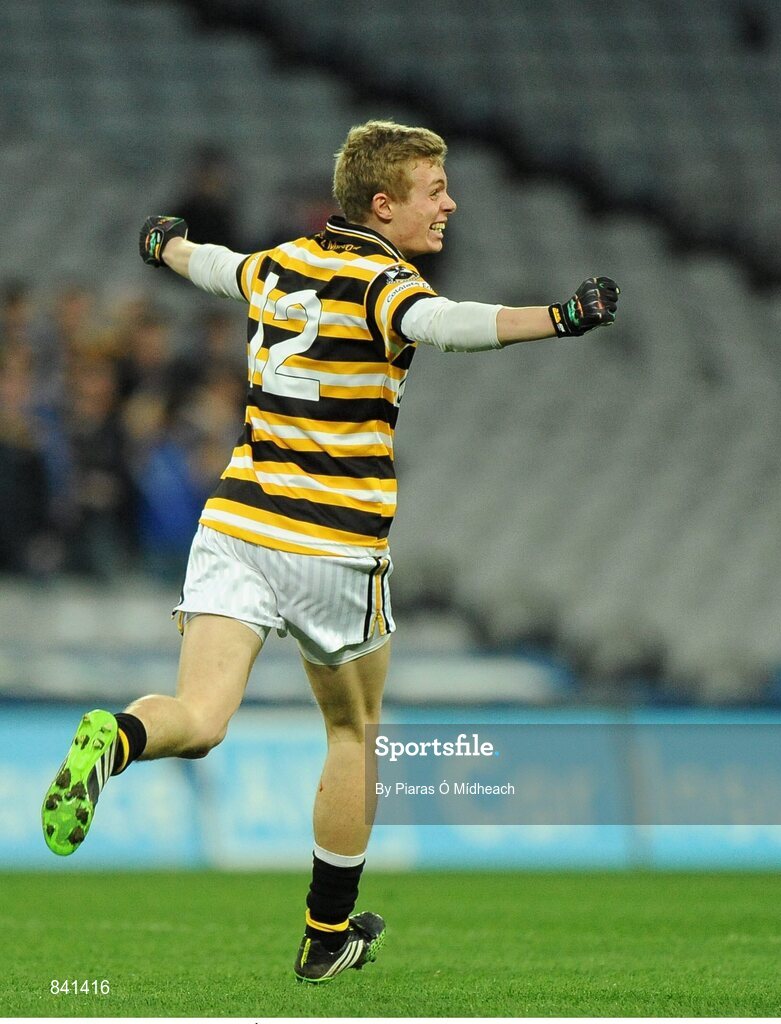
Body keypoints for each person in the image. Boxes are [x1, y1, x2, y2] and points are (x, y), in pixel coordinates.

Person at [41, 120, 620, 983]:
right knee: (353, 730)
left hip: (237, 523)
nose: (450, 204)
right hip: (333, 544)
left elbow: (211, 265)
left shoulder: (279, 263)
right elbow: (449, 323)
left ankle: (117, 737)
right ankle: (325, 933)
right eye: (434, 191)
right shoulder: (387, 283)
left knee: (198, 720)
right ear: (383, 206)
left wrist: (164, 245)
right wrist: (560, 318)